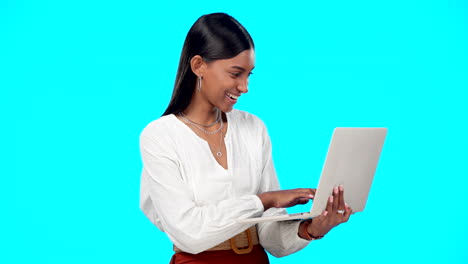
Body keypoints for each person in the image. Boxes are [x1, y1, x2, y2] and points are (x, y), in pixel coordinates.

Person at [139, 13, 352, 264]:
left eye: (249, 74)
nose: (244, 86)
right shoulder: (160, 136)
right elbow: (189, 234)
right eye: (235, 73)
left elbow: (269, 236)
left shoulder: (254, 128)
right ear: (198, 66)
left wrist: (312, 228)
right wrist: (264, 200)